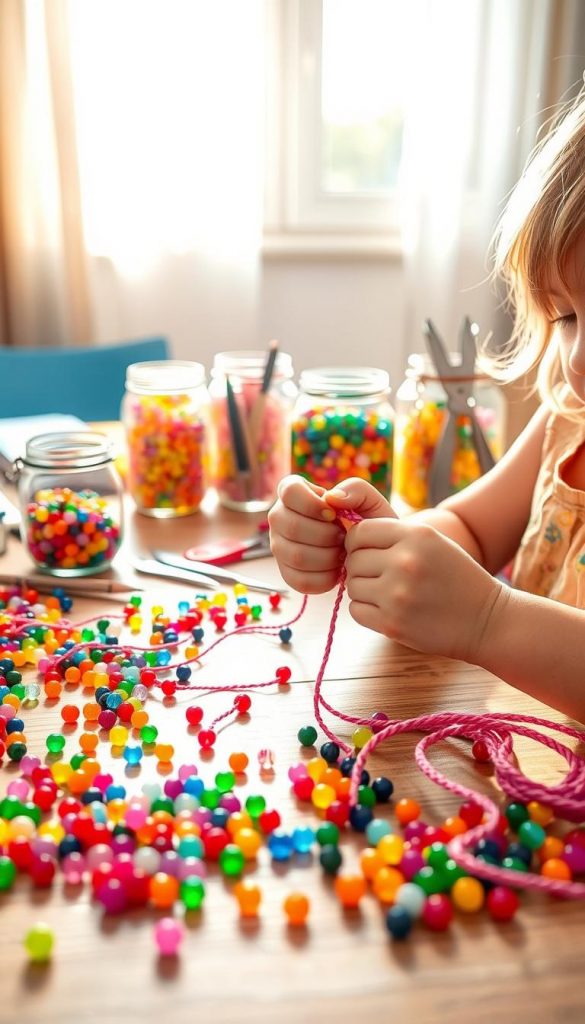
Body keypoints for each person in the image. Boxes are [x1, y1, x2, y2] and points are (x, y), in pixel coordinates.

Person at [269, 87, 585, 725]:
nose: (575, 359)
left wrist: (487, 620)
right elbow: (469, 529)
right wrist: (391, 548)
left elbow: (487, 617)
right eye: (567, 317)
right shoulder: (566, 423)